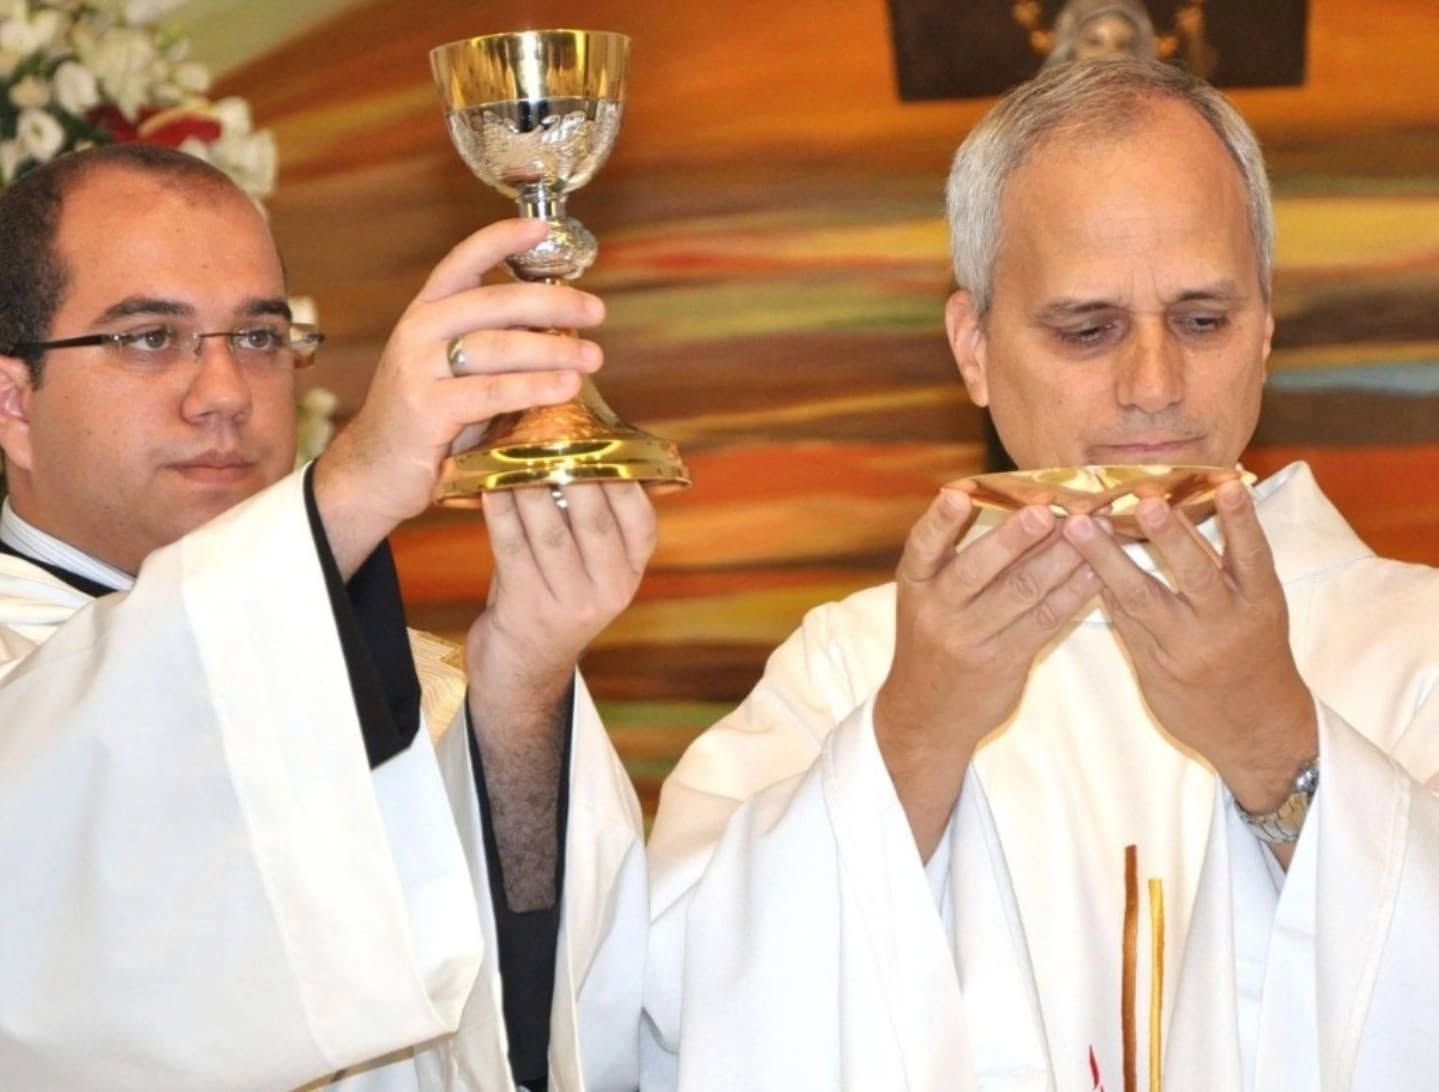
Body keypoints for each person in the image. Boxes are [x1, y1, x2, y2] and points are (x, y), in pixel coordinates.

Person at [644, 59, 1439, 1090]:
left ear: (1264, 332)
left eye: (1201, 320)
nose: (1152, 385)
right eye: (1086, 328)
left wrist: (1275, 748)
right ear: (972, 347)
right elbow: (670, 999)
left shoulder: (1413, 644)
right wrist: (914, 736)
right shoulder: (849, 667)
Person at [0, 143, 651, 1091]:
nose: (225, 394)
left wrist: (518, 696)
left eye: (259, 338)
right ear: (14, 404)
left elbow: (540, 1033)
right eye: (149, 337)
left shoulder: (420, 681)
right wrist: (352, 484)